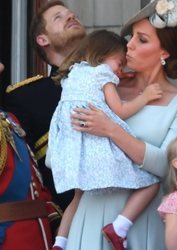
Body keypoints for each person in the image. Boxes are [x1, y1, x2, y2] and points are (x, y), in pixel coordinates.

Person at [64, 0, 177, 249]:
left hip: (141, 222)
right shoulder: (102, 85)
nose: (129, 45)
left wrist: (110, 129)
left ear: (164, 53)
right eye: (131, 37)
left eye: (142, 39)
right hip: (91, 211)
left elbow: (165, 164)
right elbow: (63, 146)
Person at [47, 29, 164, 250]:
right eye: (120, 63)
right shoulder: (103, 74)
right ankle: (119, 227)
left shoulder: (73, 74)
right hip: (97, 147)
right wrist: (145, 97)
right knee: (150, 182)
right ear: (103, 54)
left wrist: (117, 79)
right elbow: (119, 110)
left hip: (72, 150)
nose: (120, 71)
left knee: (78, 197)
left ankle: (60, 242)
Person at [3, 0, 86, 211]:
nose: (71, 16)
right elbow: (26, 174)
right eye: (58, 17)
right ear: (42, 39)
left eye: (72, 14)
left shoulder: (115, 80)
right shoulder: (26, 97)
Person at [0, 62, 62, 250]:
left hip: (37, 235)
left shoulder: (9, 118)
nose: (2, 66)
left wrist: (57, 223)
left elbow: (33, 183)